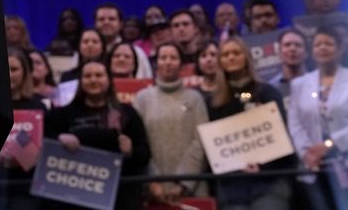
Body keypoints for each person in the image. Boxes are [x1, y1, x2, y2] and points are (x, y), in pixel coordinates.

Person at [286, 28, 348, 210]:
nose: (323, 48)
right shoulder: (299, 84)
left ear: (340, 49)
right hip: (315, 169)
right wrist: (308, 152)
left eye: (328, 44)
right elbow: (295, 124)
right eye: (318, 44)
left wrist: (329, 145)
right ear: (311, 51)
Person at [46, 59, 151, 210]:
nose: (93, 80)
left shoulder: (127, 113)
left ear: (109, 79)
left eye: (99, 75)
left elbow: (144, 155)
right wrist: (58, 140)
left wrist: (130, 151)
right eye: (87, 76)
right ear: (80, 81)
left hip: (119, 195)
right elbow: (44, 147)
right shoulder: (63, 114)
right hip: (74, 196)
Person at [208, 37, 293, 210]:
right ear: (220, 62)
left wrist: (262, 165)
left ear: (246, 57)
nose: (231, 57)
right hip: (232, 184)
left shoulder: (267, 92)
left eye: (236, 53)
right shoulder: (213, 101)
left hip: (269, 181)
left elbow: (282, 135)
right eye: (225, 54)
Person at [133, 43, 210, 202]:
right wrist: (152, 181)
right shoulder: (142, 98)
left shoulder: (195, 98)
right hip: (153, 191)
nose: (168, 62)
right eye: (163, 58)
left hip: (192, 187)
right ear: (156, 63)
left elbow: (200, 142)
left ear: (181, 64)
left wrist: (184, 183)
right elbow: (138, 143)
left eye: (173, 58)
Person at [0, 47, 48, 210]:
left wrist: (22, 154)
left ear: (25, 71)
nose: (9, 73)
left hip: (26, 187)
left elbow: (45, 149)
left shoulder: (38, 107)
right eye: (5, 67)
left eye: (14, 69)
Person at [95, 3, 153, 78]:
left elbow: (146, 81)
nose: (106, 22)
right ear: (95, 24)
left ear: (120, 24)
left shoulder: (136, 52)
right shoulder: (86, 52)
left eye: (111, 19)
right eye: (101, 19)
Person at [268, 28, 308, 98]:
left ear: (306, 52)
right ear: (279, 52)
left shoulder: (317, 82)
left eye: (298, 45)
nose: (292, 49)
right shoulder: (271, 88)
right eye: (287, 45)